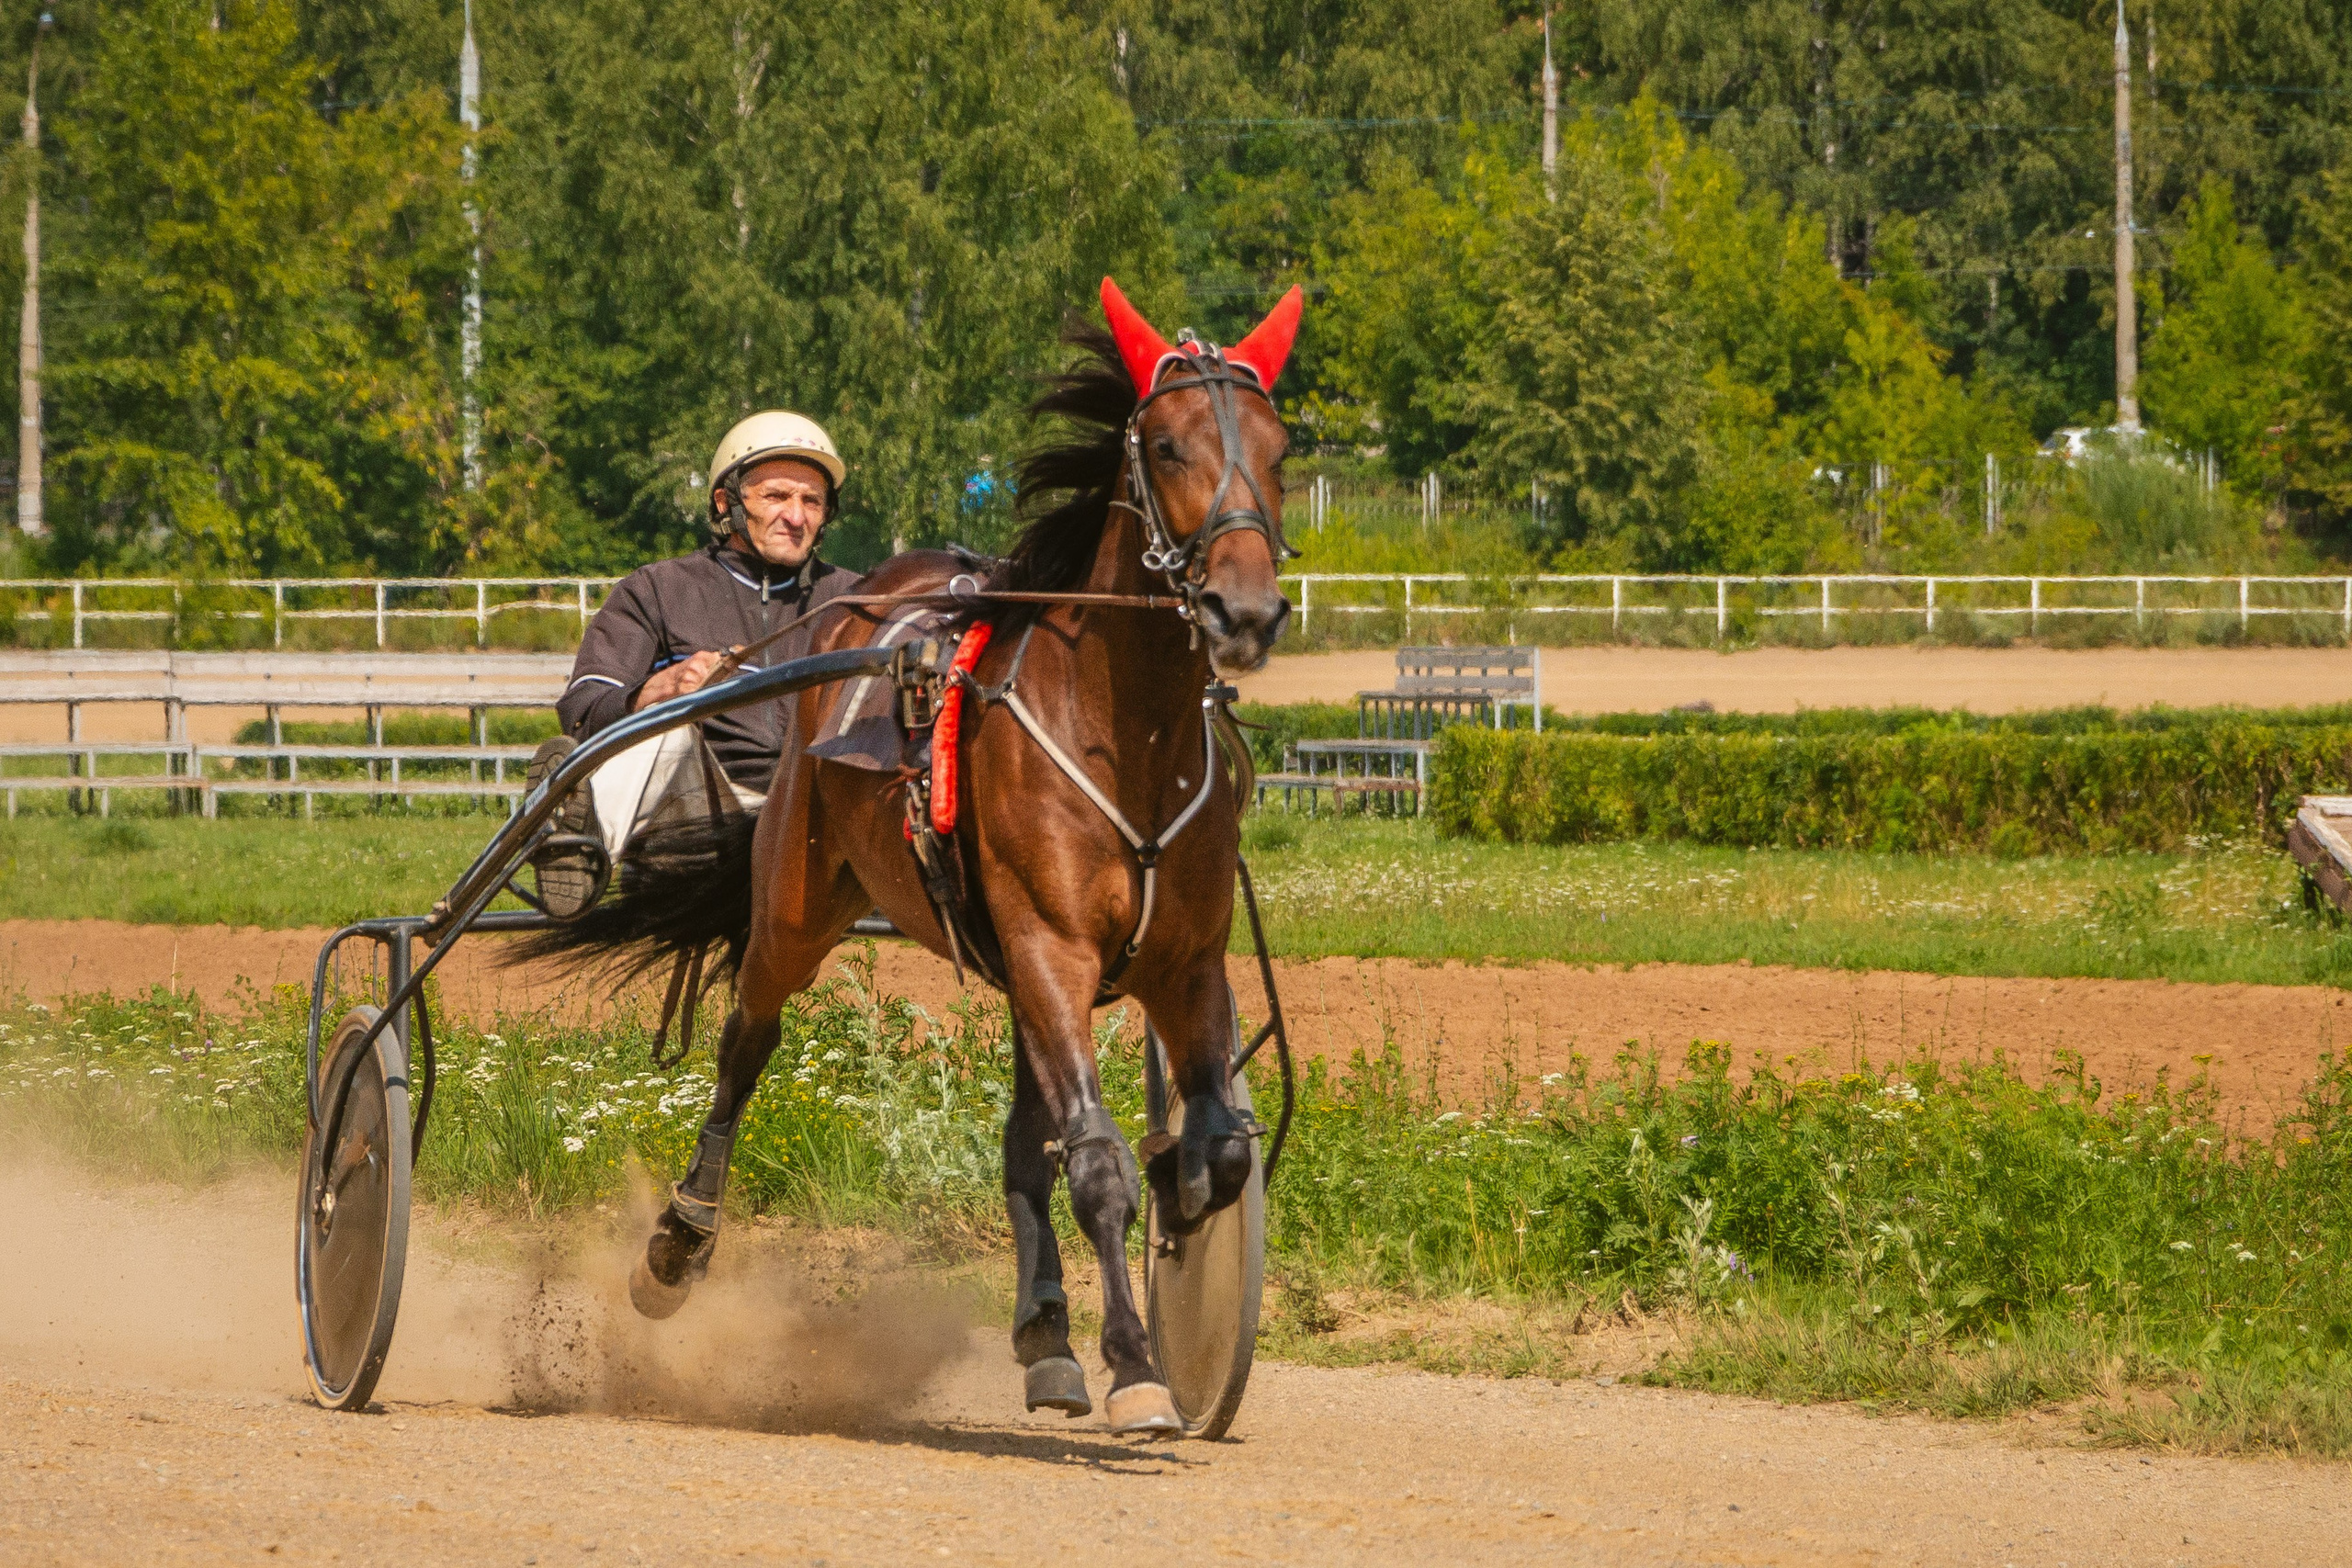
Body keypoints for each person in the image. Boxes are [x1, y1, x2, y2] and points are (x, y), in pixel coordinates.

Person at [527, 411, 862, 916]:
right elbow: (582, 708)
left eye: (811, 500)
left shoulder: (855, 601)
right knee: (670, 727)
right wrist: (654, 693)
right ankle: (579, 853)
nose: (796, 517)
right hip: (700, 819)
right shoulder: (660, 590)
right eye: (776, 496)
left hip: (817, 817)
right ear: (726, 502)